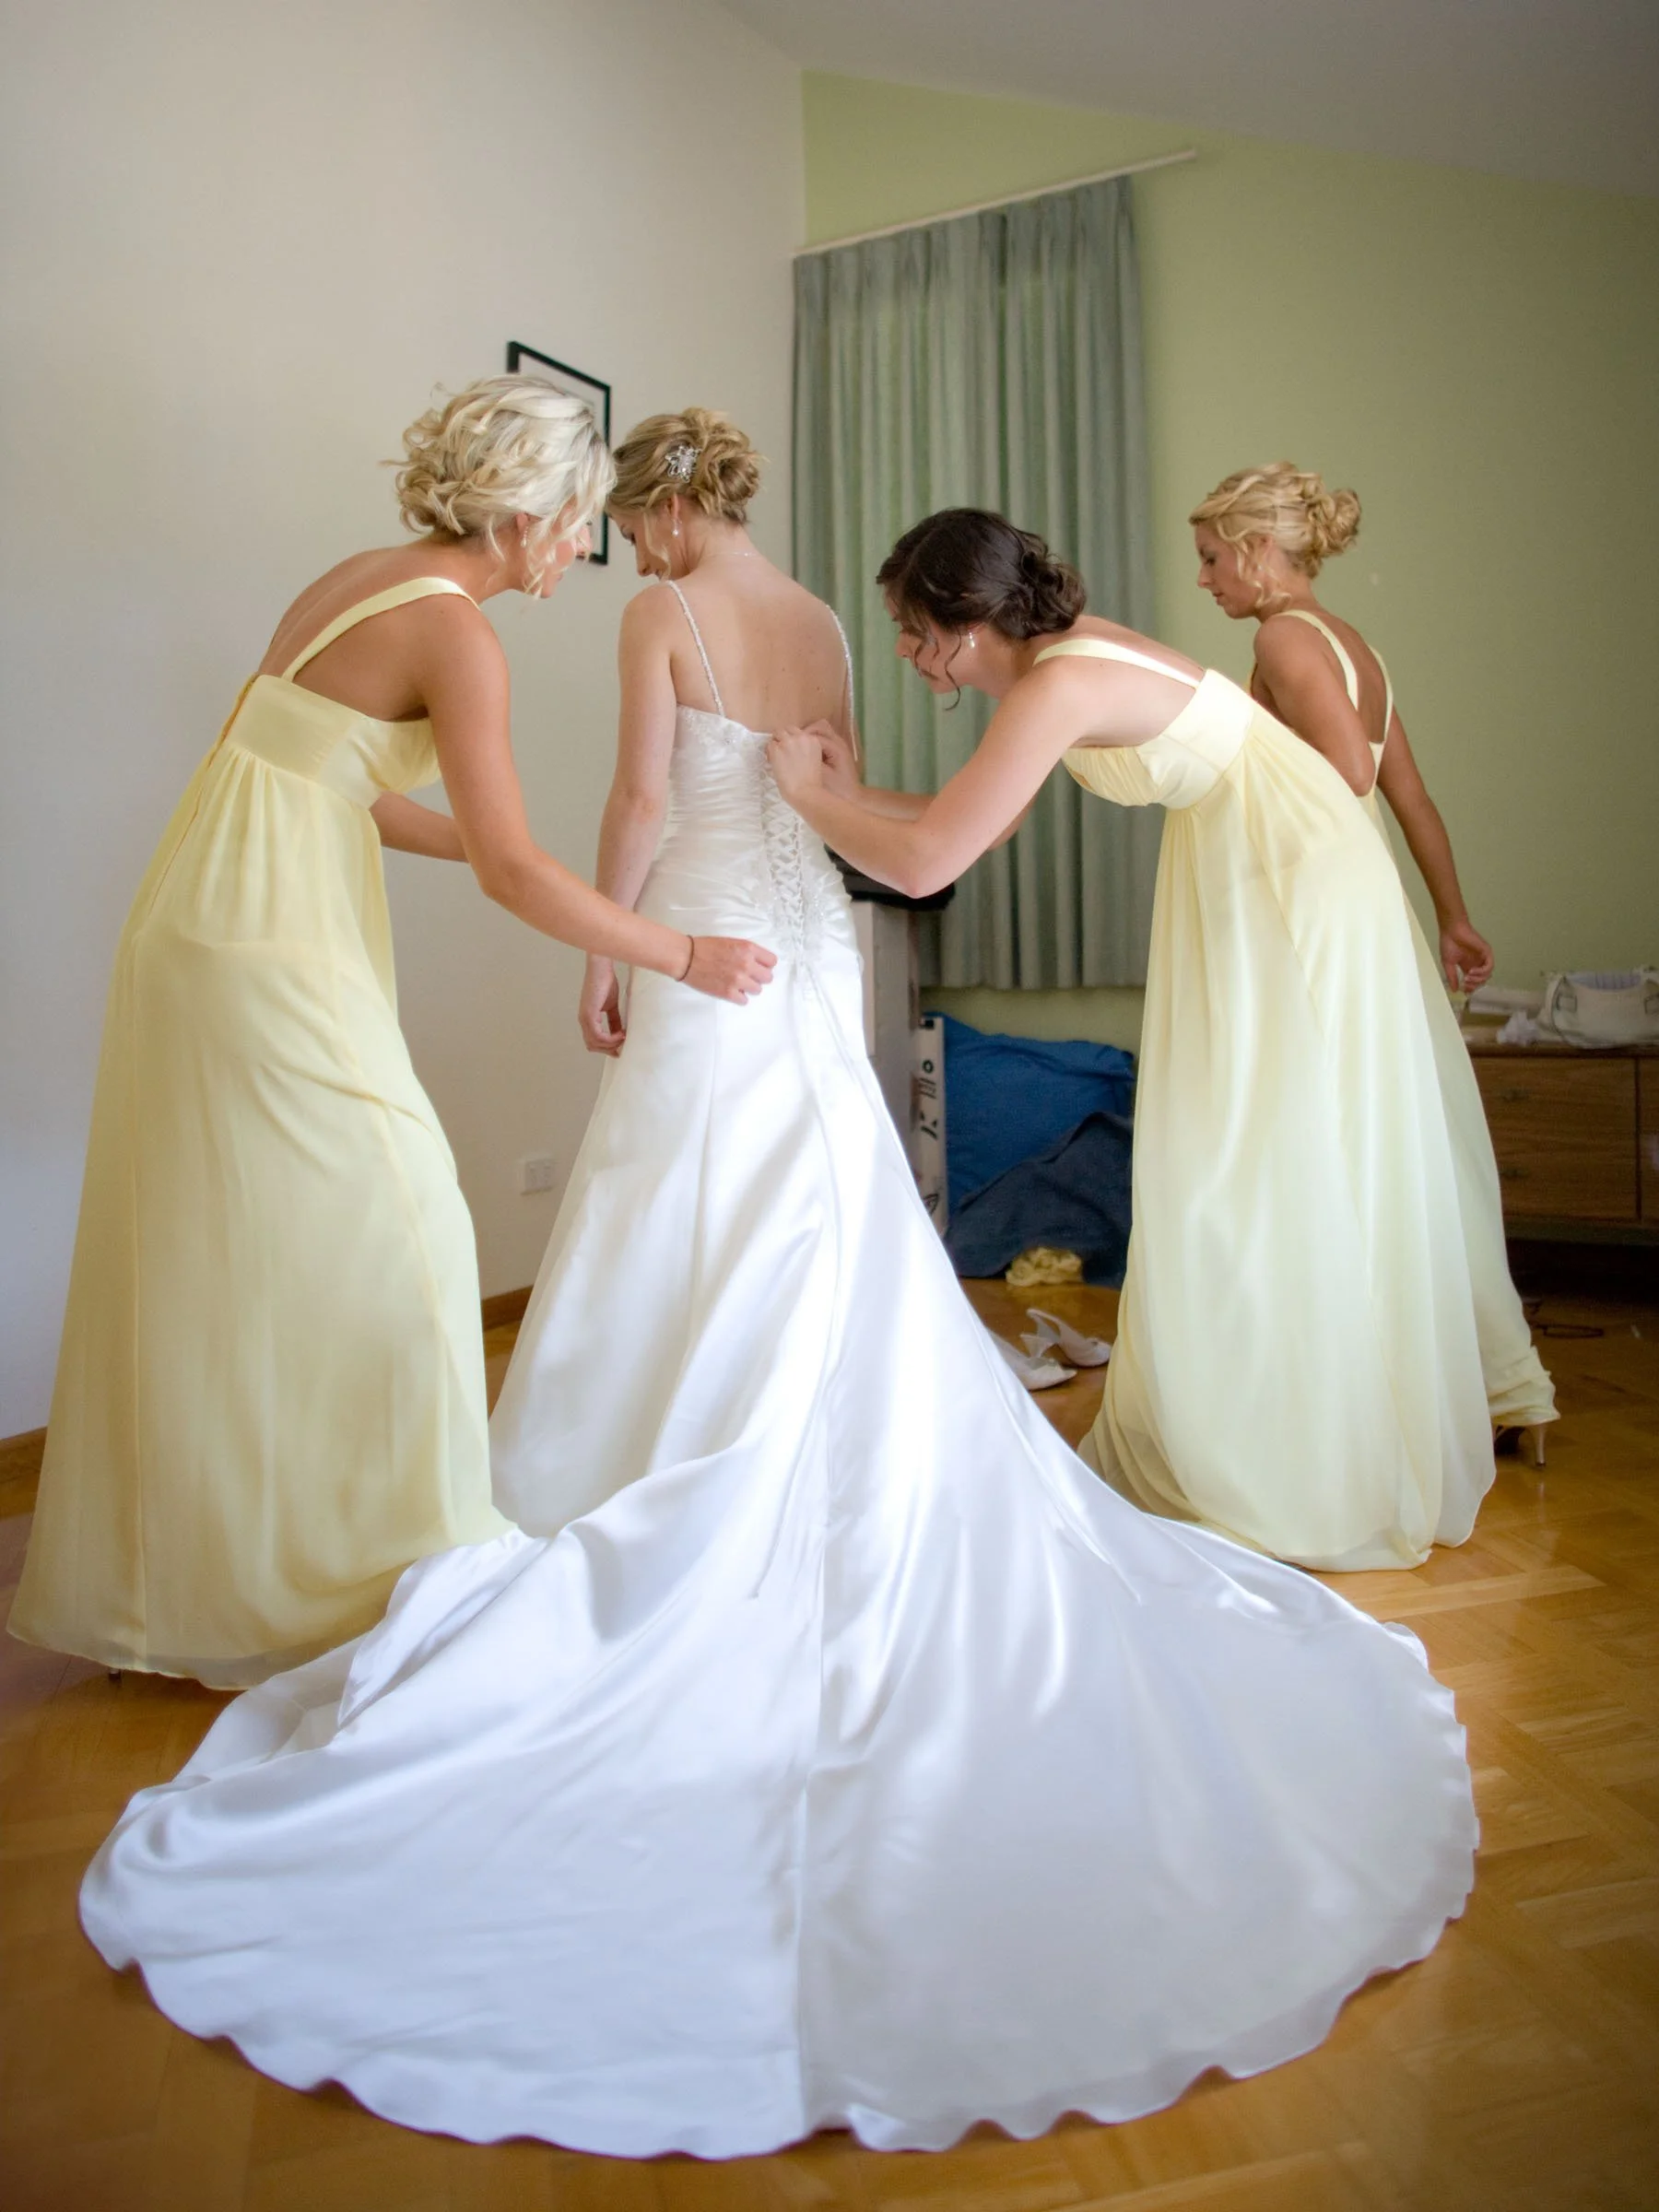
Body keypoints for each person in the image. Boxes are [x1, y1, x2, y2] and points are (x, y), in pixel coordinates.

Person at [80, 452, 1474, 2159]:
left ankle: (628, 1470)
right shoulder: (822, 618)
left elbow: (662, 811)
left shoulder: (683, 616)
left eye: (922, 638)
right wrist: (804, 822)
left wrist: (628, 944)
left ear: (667, 512)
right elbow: (875, 821)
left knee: (697, 1199)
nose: (908, 660)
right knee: (830, 1205)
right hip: (811, 943)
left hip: (754, 921)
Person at [9, 377, 774, 1688]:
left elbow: (333, 786)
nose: (587, 548)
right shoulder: (454, 635)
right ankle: (396, 1561)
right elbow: (515, 870)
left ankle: (259, 1562)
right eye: (585, 519)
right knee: (410, 1224)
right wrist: (679, 953)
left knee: (249, 1242)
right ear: (532, 515)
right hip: (262, 939)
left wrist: (513, 860)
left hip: (209, 908)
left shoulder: (358, 579)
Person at [771, 506, 1507, 1572]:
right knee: (1242, 1162)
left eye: (908, 624)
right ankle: (1280, 1427)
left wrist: (800, 794)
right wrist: (836, 799)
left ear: (966, 621)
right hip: (1265, 862)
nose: (900, 648)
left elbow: (930, 862)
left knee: (1256, 1161)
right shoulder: (1053, 672)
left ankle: (1301, 1456)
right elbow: (974, 814)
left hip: (1287, 880)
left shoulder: (1062, 680)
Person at [1191, 462, 1554, 1459]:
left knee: (1311, 1127)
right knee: (1390, 1133)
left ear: (1263, 553)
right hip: (1375, 902)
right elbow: (1412, 797)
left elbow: (1347, 771)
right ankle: (1479, 1379)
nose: (1206, 580)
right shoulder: (1359, 645)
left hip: (1311, 904)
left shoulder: (1279, 637)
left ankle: (1347, 1384)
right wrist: (1454, 915)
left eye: (1214, 559)